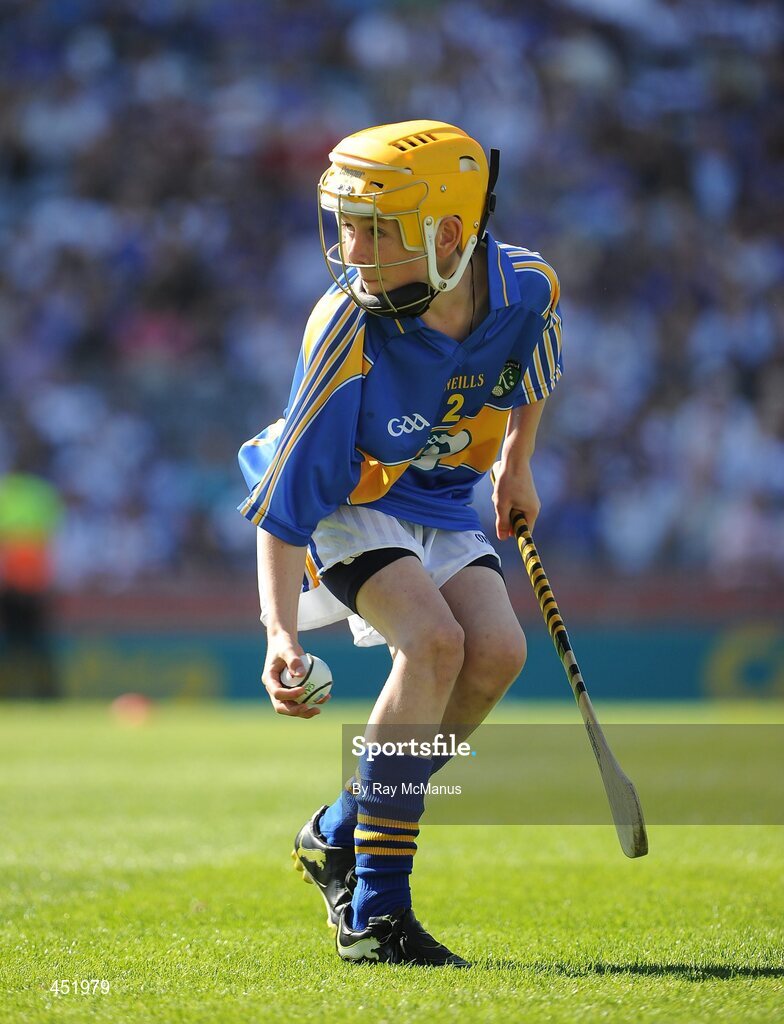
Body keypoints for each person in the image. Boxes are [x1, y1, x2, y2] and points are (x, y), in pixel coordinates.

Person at [238, 120, 563, 966]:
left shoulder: (526, 286)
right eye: (345, 223)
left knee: (495, 653)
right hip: (352, 495)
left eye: (376, 228)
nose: (352, 248)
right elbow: (284, 508)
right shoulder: (346, 324)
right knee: (433, 644)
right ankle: (375, 914)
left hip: (442, 492)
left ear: (449, 234)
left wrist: (516, 467)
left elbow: (535, 366)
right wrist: (277, 633)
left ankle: (341, 827)